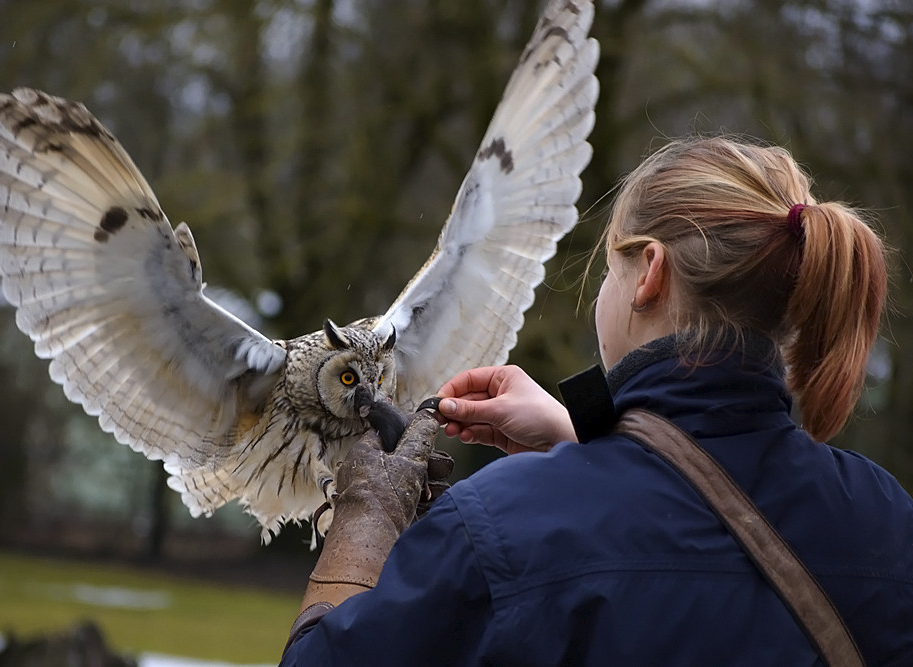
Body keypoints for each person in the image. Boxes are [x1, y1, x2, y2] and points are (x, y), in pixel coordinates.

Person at [280, 136, 913, 666]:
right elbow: (686, 535)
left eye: (610, 269)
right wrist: (585, 443)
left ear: (649, 274)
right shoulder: (887, 522)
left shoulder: (498, 531)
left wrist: (365, 520)